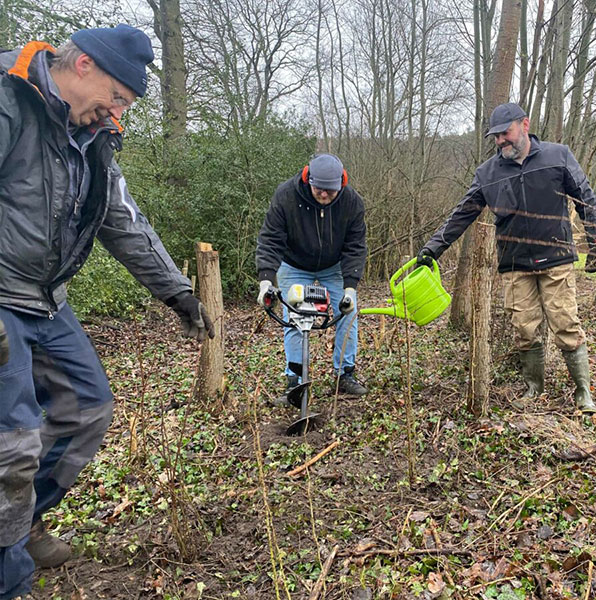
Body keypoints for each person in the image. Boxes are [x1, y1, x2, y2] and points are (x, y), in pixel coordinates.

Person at [0, 25, 215, 599]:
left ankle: (22, 527)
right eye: (117, 97)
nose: (116, 112)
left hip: (46, 297)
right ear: (85, 65)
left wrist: (177, 292)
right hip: (2, 291)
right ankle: (8, 574)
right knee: (13, 442)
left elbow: (122, 219)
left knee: (87, 408)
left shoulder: (93, 137)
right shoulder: (9, 96)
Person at [417, 102, 596, 414]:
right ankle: (534, 387)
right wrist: (432, 249)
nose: (501, 141)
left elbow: (585, 197)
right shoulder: (487, 174)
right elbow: (461, 215)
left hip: (556, 257)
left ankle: (583, 391)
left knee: (565, 323)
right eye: (496, 136)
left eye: (505, 133)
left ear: (525, 125)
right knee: (524, 327)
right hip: (515, 264)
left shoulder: (557, 156)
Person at [256, 153, 368, 402]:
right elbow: (271, 239)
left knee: (348, 314)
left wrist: (350, 288)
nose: (325, 195)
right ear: (308, 179)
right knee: (295, 316)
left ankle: (344, 375)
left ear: (341, 184)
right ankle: (295, 382)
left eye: (331, 191)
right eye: (320, 189)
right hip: (294, 264)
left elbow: (355, 246)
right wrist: (266, 280)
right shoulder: (286, 196)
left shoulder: (351, 202)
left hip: (335, 265)